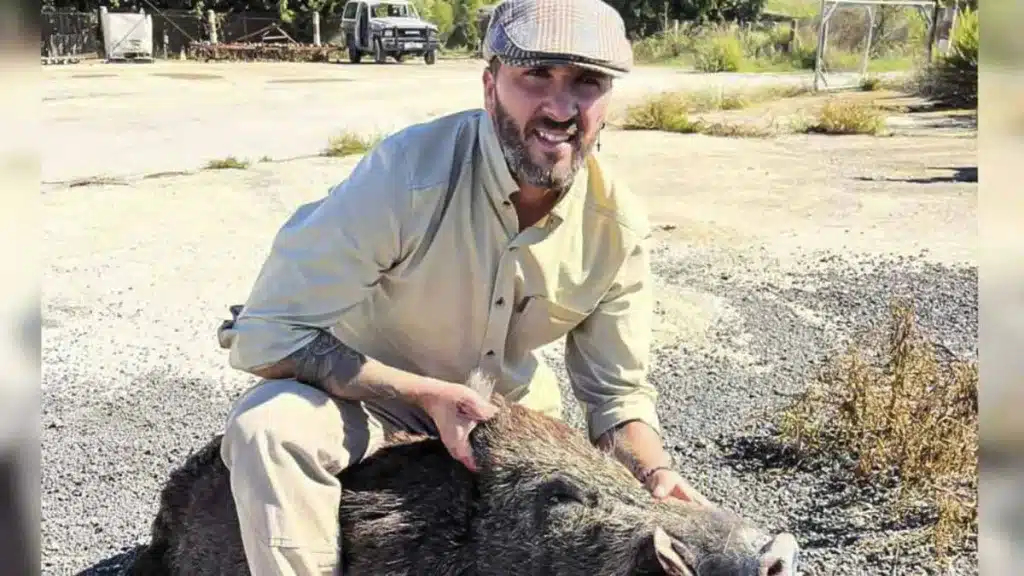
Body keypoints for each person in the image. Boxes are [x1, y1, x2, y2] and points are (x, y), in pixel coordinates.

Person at [216, 0, 710, 573]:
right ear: (489, 84)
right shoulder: (407, 176)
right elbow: (266, 334)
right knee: (268, 430)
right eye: (535, 75)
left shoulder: (616, 225)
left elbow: (617, 397)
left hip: (509, 424)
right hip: (373, 395)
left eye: (586, 82)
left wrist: (656, 475)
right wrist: (421, 393)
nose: (559, 108)